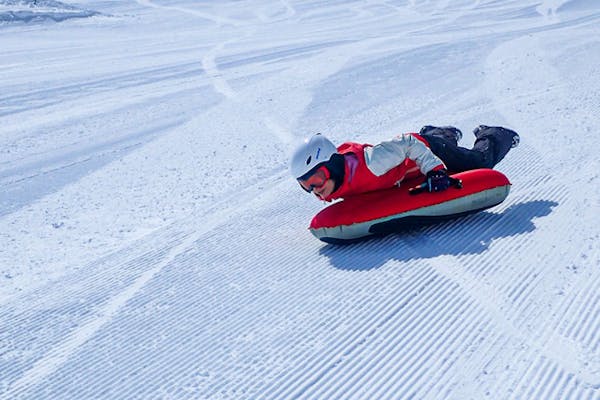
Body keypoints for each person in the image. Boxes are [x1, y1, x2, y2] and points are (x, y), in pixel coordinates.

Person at [290, 125, 519, 201]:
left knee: (477, 162)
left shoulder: (373, 163)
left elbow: (408, 143)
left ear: (332, 165)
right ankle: (441, 132)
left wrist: (435, 171)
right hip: (406, 169)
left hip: (426, 151)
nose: (314, 189)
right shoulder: (337, 179)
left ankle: (495, 134)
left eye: (316, 178)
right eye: (305, 185)